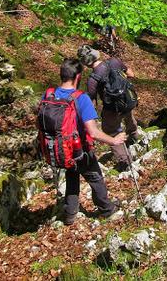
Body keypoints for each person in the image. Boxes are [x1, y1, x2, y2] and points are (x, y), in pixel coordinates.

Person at [49, 58, 126, 225]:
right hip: (79, 149)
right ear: (78, 77)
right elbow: (93, 131)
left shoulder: (49, 95)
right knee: (95, 177)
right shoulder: (81, 98)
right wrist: (114, 140)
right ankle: (107, 209)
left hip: (59, 149)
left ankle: (70, 213)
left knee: (71, 175)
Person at [77, 44, 139, 171]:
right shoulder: (114, 61)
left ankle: (125, 161)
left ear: (86, 63)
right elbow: (131, 74)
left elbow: (91, 101)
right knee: (128, 115)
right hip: (128, 100)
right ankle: (134, 136)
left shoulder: (93, 79)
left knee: (110, 130)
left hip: (112, 108)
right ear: (96, 54)